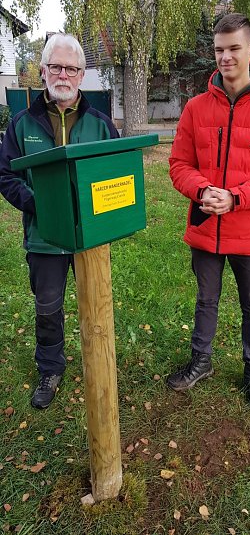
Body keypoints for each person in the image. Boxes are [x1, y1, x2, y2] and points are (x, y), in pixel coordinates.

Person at [167, 13, 250, 417]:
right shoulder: (196, 108)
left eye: (234, 48)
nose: (225, 57)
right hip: (206, 229)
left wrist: (235, 198)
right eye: (219, 49)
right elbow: (178, 164)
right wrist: (202, 190)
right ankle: (201, 361)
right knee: (206, 298)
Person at [0, 33, 119, 409]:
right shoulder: (21, 124)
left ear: (82, 75)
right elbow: (5, 177)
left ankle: (99, 359)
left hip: (90, 236)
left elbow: (117, 174)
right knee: (48, 306)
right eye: (56, 67)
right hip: (45, 236)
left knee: (97, 302)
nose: (63, 75)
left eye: (71, 68)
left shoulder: (100, 124)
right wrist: (42, 204)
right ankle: (50, 368)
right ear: (43, 71)